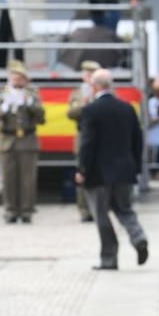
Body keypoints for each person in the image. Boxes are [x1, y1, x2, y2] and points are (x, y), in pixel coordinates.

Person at [76, 69, 149, 270]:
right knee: (124, 209)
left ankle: (109, 258)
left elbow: (87, 144)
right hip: (124, 171)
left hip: (98, 174)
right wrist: (134, 166)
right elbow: (138, 140)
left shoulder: (91, 110)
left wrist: (83, 169)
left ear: (95, 86)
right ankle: (138, 236)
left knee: (101, 215)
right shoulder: (127, 108)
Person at [0, 60, 45, 223]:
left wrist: (29, 103)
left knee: (27, 179)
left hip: (27, 140)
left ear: (25, 80)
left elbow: (41, 118)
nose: (17, 81)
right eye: (14, 78)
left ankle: (27, 211)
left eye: (20, 78)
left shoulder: (32, 94)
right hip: (7, 140)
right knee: (8, 178)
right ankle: (10, 210)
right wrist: (5, 107)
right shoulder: (2, 94)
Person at [68, 60, 102, 222]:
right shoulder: (77, 93)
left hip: (101, 135)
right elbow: (71, 113)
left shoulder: (104, 91)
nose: (88, 77)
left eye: (92, 74)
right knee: (82, 171)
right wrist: (84, 102)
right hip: (83, 135)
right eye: (86, 74)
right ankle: (84, 209)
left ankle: (99, 208)